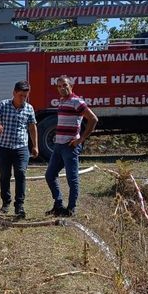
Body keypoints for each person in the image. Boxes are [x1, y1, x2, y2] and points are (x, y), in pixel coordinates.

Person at [45, 76, 98, 217]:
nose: (62, 88)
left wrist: (81, 139)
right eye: (59, 86)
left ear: (71, 86)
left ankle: (71, 209)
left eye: (65, 85)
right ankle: (58, 205)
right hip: (58, 146)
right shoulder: (62, 102)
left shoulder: (77, 102)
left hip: (70, 147)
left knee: (72, 179)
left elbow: (93, 119)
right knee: (50, 175)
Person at [0, 81, 38, 219]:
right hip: (4, 147)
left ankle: (19, 206)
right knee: (5, 174)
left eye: (25, 96)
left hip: (21, 147)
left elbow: (32, 127)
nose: (23, 98)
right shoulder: (3, 105)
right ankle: (6, 202)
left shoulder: (29, 108)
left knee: (21, 173)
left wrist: (35, 145)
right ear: (14, 93)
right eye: (20, 95)